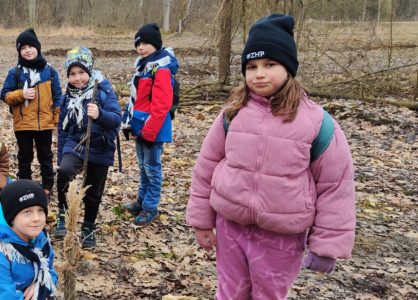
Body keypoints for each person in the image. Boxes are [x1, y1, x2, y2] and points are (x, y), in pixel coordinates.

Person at [185, 14, 355, 300]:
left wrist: (327, 244)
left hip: (281, 236)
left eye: (269, 65)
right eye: (251, 66)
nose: (259, 74)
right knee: (229, 293)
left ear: (288, 68)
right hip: (231, 226)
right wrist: (202, 220)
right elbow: (206, 167)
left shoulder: (316, 123)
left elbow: (335, 185)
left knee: (269, 295)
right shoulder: (232, 115)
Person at [53, 47, 121, 249]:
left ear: (89, 71)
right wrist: (60, 157)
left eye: (81, 72)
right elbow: (63, 128)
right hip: (76, 143)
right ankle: (63, 214)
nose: (77, 78)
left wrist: (100, 114)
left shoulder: (103, 90)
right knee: (64, 173)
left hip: (100, 145)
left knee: (94, 188)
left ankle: (89, 225)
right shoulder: (67, 96)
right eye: (72, 74)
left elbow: (117, 119)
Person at [120, 23, 179, 226]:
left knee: (152, 168)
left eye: (145, 43)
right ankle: (141, 201)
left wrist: (149, 131)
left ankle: (150, 207)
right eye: (138, 44)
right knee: (142, 167)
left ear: (155, 44)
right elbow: (135, 100)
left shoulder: (160, 69)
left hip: (154, 128)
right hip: (140, 126)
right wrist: (128, 126)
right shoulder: (143, 67)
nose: (141, 47)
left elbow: (162, 105)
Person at [1, 28, 62, 196]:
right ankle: (24, 185)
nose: (27, 50)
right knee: (25, 157)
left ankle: (47, 186)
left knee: (46, 156)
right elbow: (5, 95)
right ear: (19, 52)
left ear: (38, 48)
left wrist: (56, 118)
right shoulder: (16, 72)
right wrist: (22, 94)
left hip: (45, 123)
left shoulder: (50, 72)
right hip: (23, 124)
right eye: (23, 48)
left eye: (31, 46)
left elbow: (58, 96)